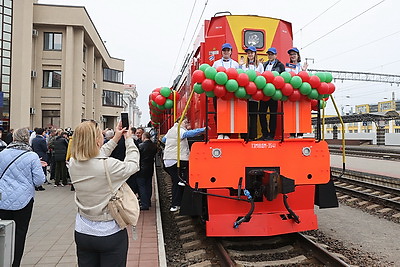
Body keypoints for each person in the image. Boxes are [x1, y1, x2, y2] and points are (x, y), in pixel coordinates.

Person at [69, 120, 139, 267]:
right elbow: (133, 165)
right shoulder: (109, 166)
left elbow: (96, 155)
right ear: (96, 141)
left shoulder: (73, 163)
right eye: (100, 134)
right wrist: (129, 140)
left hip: (83, 231)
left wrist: (116, 138)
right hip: (109, 232)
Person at [0, 127, 47, 267]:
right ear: (27, 139)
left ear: (14, 138)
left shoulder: (2, 153)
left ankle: (3, 259)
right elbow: (39, 180)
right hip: (24, 200)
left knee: (3, 230)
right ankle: (15, 263)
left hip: (3, 199)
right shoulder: (31, 156)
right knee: (20, 233)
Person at [162, 117, 207, 212]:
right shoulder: (179, 129)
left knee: (176, 182)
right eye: (185, 122)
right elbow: (187, 134)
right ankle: (184, 180)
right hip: (176, 159)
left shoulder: (171, 130)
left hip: (168, 160)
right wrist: (203, 130)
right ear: (179, 122)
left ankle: (175, 204)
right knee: (187, 168)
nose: (186, 124)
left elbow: (163, 139)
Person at [212, 43, 240, 139]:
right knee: (218, 113)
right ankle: (220, 132)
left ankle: (228, 133)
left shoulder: (236, 64)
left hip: (231, 93)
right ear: (222, 52)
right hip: (219, 92)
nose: (226, 52)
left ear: (231, 52)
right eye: (224, 50)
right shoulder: (216, 63)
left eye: (228, 50)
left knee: (229, 113)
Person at [258, 47, 285, 140]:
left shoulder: (280, 65)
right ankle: (264, 133)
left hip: (274, 93)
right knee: (261, 113)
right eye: (269, 54)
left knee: (273, 114)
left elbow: (282, 78)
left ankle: (272, 135)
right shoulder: (264, 65)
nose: (270, 56)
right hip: (264, 93)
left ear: (275, 55)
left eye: (272, 54)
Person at [239, 46, 264, 139]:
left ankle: (253, 136)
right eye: (248, 53)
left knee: (253, 116)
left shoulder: (260, 66)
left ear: (255, 54)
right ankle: (244, 136)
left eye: (252, 53)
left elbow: (262, 78)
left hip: (255, 96)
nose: (250, 54)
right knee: (244, 116)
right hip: (245, 95)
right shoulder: (243, 65)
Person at [136, 132, 158, 210]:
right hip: (150, 168)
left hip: (141, 168)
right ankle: (148, 202)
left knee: (141, 186)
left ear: (144, 137)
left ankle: (144, 204)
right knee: (148, 185)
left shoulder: (140, 146)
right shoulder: (154, 146)